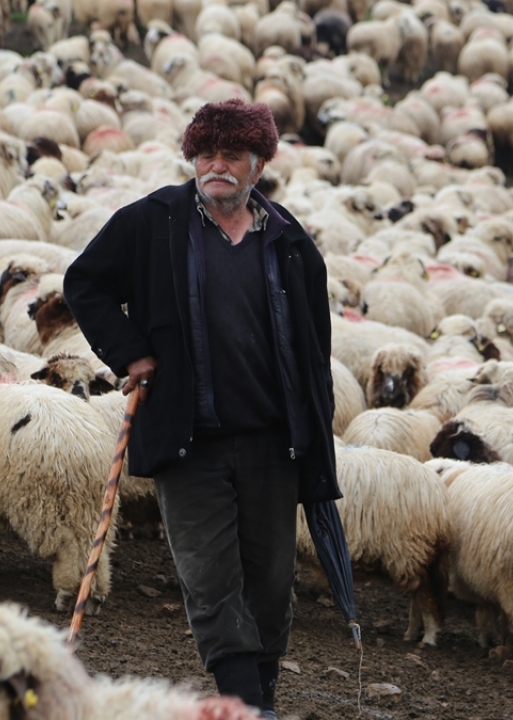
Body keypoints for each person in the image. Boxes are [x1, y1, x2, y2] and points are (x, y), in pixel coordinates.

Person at [64, 99, 339, 719]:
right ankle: (246, 705)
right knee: (211, 581)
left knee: (270, 586)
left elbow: (314, 347)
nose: (216, 166)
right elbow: (85, 283)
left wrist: (314, 431)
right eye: (205, 154)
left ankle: (257, 701)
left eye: (231, 155)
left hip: (274, 442)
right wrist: (130, 352)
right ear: (192, 157)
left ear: (258, 164)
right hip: (191, 439)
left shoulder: (291, 243)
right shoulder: (154, 222)